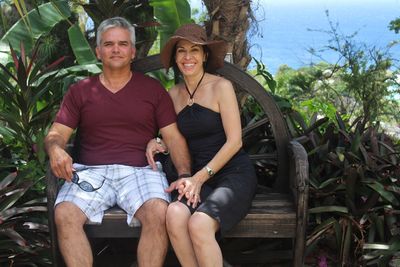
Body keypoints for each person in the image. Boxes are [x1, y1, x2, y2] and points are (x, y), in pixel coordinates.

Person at [44, 17, 191, 267]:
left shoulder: (153, 90)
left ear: (132, 52)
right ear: (98, 51)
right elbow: (56, 133)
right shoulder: (80, 91)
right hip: (91, 173)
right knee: (64, 213)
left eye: (123, 44)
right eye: (108, 44)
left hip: (140, 172)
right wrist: (56, 149)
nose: (116, 49)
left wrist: (185, 174)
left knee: (158, 211)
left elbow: (173, 137)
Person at [146, 23, 257, 267]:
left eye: (194, 50)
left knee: (199, 224)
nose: (188, 57)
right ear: (175, 58)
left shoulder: (221, 87)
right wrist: (157, 143)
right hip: (195, 177)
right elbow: (174, 138)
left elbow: (235, 141)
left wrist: (198, 178)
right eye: (181, 51)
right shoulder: (173, 95)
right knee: (174, 215)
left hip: (230, 173)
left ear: (205, 55)